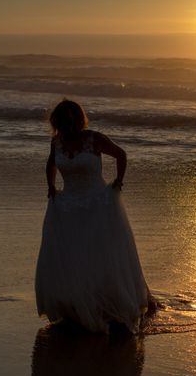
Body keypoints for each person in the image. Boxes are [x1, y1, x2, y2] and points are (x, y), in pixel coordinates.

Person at [35, 99, 154, 333]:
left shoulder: (94, 138)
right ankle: (75, 304)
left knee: (101, 255)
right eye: (62, 121)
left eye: (70, 120)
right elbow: (50, 164)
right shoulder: (56, 142)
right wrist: (50, 185)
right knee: (73, 256)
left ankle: (107, 304)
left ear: (78, 120)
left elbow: (121, 154)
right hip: (68, 205)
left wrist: (118, 181)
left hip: (98, 203)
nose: (66, 126)